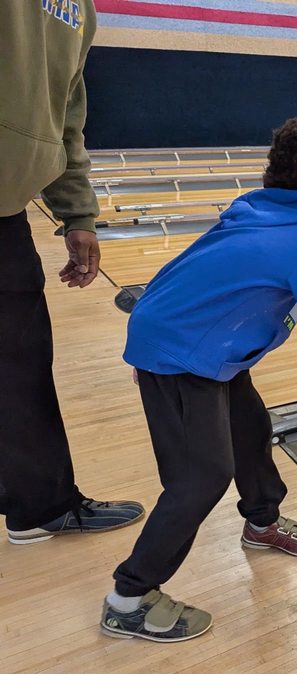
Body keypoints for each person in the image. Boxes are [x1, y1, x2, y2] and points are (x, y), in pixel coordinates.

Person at [103, 115, 297, 642]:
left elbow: (189, 264)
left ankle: (262, 522)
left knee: (251, 431)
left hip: (201, 349)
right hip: (180, 357)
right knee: (202, 477)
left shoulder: (258, 207)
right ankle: (128, 597)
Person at [0, 0, 145, 545]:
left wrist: (77, 213)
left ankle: (32, 496)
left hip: (6, 206)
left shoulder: (77, 9)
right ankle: (37, 500)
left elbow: (66, 116)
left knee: (20, 358)